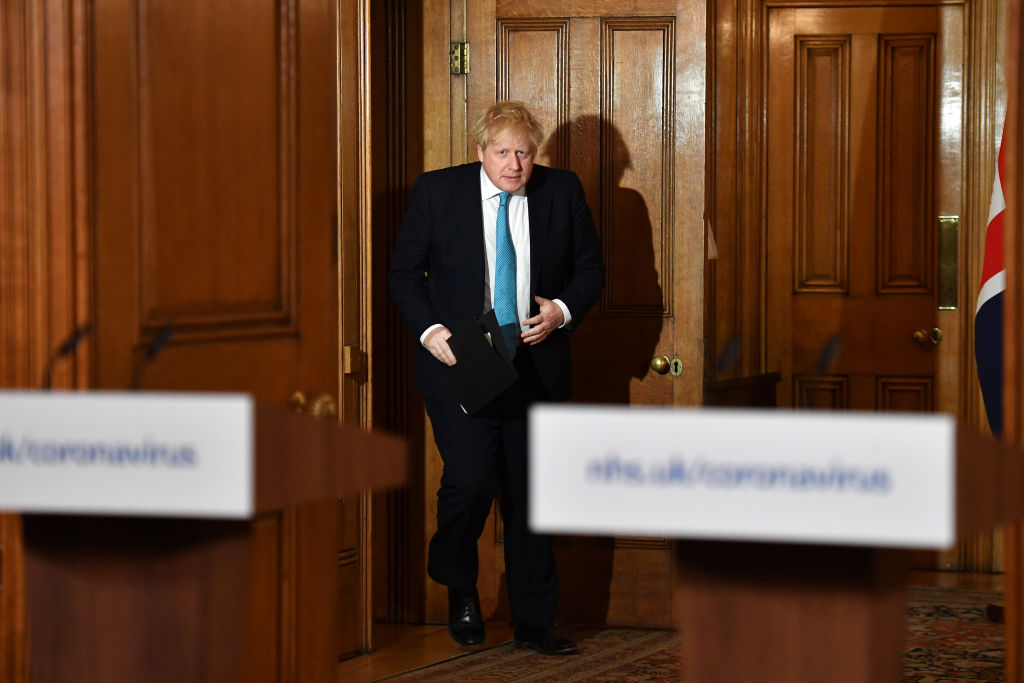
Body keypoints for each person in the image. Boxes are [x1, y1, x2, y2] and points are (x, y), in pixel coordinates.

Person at [389, 101, 605, 655]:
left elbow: (590, 270)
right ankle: (459, 582)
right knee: (470, 481)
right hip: (462, 361)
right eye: (504, 152)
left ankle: (535, 622)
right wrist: (430, 331)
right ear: (480, 151)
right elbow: (404, 274)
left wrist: (561, 311)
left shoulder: (562, 191)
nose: (515, 165)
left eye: (525, 154)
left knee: (532, 495)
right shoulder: (438, 192)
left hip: (536, 363)